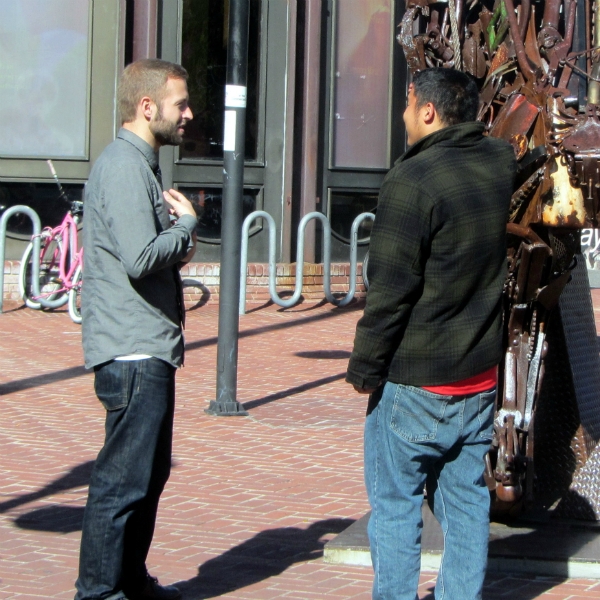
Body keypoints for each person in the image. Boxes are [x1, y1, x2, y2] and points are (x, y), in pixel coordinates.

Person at [346, 68, 517, 600]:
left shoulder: (412, 181)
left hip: (416, 381)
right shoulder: (497, 163)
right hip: (478, 376)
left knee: (397, 508)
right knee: (467, 503)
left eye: (406, 103)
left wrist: (364, 368)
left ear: (427, 110)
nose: (400, 115)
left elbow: (389, 293)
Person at [75, 58, 197, 600]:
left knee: (146, 479)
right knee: (122, 482)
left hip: (147, 348)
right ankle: (99, 592)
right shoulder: (124, 167)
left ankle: (129, 582)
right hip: (132, 352)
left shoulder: (140, 165)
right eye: (180, 104)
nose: (188, 114)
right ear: (147, 108)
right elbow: (141, 256)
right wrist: (188, 230)